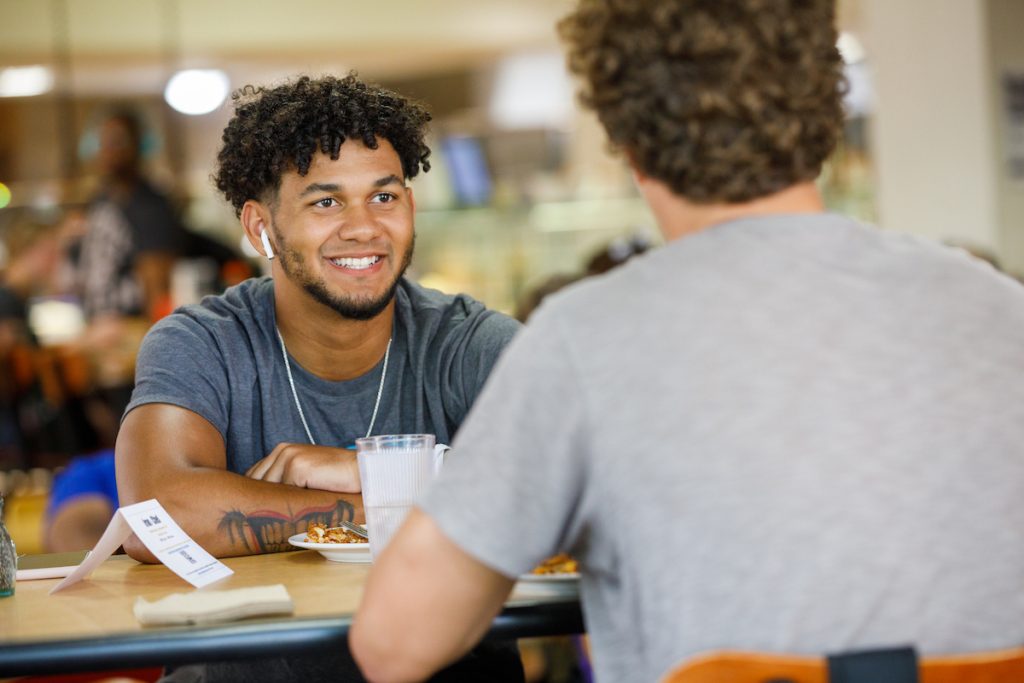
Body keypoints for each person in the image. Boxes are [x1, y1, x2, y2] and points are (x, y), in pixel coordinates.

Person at [350, 2, 1024, 682]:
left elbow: (394, 643)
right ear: (824, 116)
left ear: (627, 139)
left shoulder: (586, 340)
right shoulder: (1003, 310)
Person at [116, 73, 523, 682]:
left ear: (409, 207)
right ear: (259, 228)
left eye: (383, 197)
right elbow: (156, 518)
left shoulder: (470, 342)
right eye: (325, 201)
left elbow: (577, 485)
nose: (362, 228)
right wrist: (383, 501)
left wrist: (367, 470)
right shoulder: (201, 342)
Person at [76, 109, 186, 322]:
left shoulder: (150, 205)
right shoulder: (99, 201)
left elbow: (157, 286)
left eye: (117, 141)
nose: (107, 149)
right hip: (95, 325)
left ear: (137, 145)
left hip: (130, 329)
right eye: (102, 141)